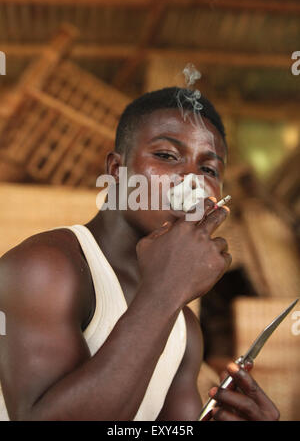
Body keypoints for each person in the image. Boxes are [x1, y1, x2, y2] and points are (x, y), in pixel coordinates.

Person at [0, 87, 280, 421]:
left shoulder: (184, 328)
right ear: (117, 170)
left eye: (208, 170)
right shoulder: (43, 269)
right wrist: (164, 294)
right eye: (166, 156)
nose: (190, 180)